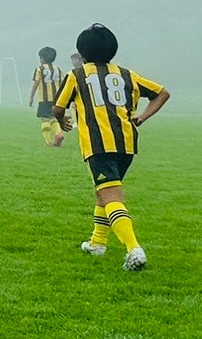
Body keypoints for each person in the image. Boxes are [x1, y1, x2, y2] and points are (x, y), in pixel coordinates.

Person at [53, 23, 168, 271]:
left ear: (82, 52)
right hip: (127, 145)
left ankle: (134, 249)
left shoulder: (77, 75)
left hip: (99, 145)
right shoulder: (128, 74)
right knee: (103, 192)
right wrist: (142, 117)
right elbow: (162, 93)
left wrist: (61, 120)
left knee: (112, 196)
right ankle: (97, 243)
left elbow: (58, 107)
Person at [27, 46, 67, 147]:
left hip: (44, 99)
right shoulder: (57, 69)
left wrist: (31, 97)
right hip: (56, 99)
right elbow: (63, 83)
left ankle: (48, 142)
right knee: (53, 117)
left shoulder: (39, 69)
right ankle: (58, 134)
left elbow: (36, 83)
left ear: (42, 58)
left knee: (44, 119)